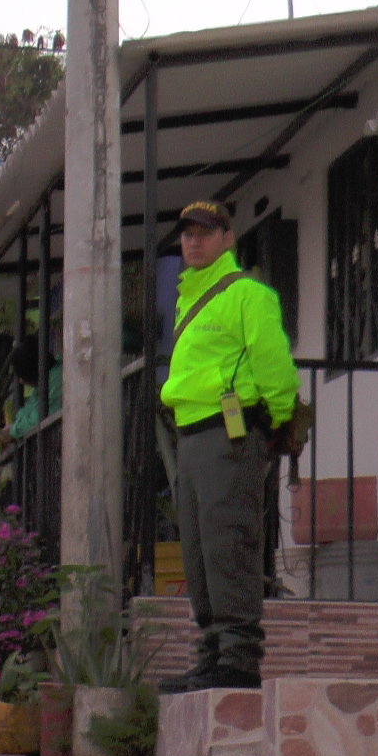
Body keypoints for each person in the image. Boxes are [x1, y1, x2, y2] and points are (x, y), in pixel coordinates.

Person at [155, 200, 296, 694]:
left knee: (227, 542)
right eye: (187, 234)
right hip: (191, 435)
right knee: (197, 550)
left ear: (228, 238)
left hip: (229, 434)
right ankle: (211, 655)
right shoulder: (188, 299)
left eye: (205, 232)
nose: (193, 241)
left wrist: (277, 419)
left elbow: (273, 361)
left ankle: (238, 658)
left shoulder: (247, 294)